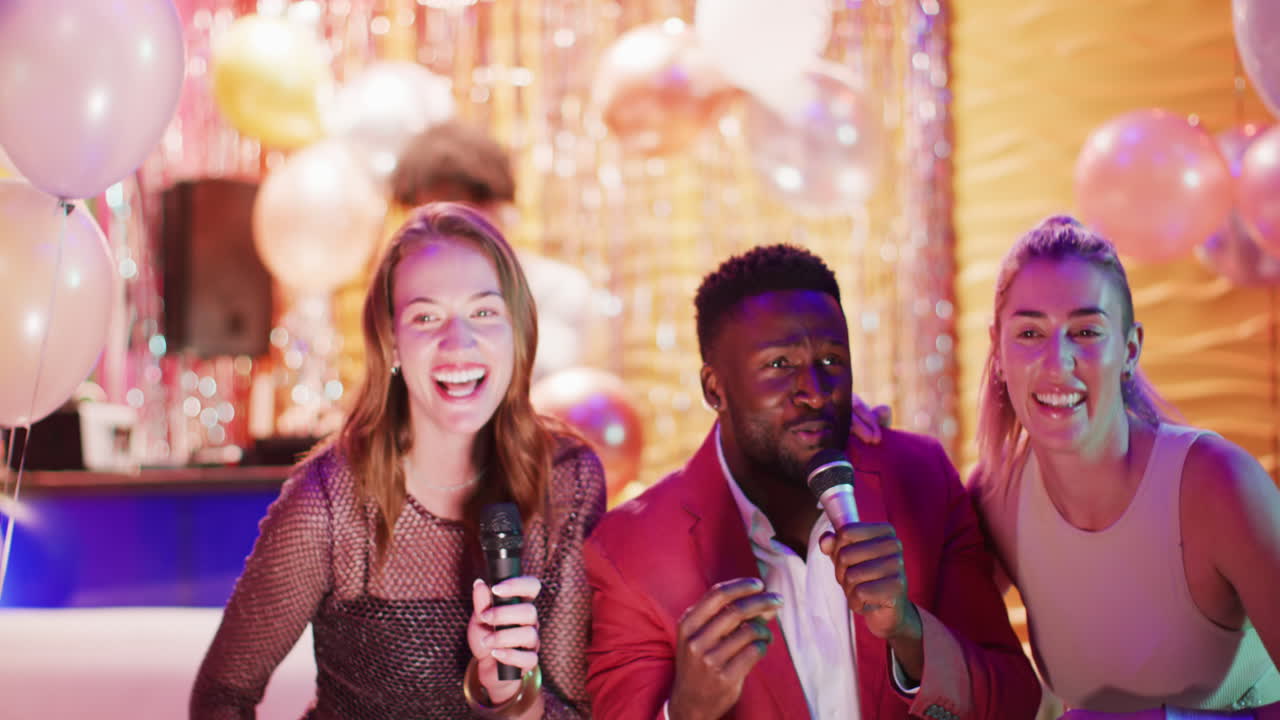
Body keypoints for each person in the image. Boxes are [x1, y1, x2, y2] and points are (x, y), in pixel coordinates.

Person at [584, 244, 1041, 720]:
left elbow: (1014, 701)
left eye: (830, 361)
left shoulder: (921, 478)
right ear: (714, 389)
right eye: (779, 365)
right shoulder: (628, 551)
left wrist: (909, 633)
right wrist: (686, 711)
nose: (815, 393)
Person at [192, 203, 606, 719]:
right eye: (426, 316)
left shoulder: (567, 479)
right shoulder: (329, 499)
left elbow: (576, 711)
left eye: (483, 312)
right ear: (390, 342)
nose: (459, 342)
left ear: (516, 331)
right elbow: (222, 695)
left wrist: (507, 696)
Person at [960, 215, 1280, 719]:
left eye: (1085, 330)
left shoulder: (1218, 484)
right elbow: (931, 652)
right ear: (997, 351)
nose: (1056, 361)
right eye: (1029, 332)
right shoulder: (994, 497)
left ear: (1129, 350)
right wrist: (865, 442)